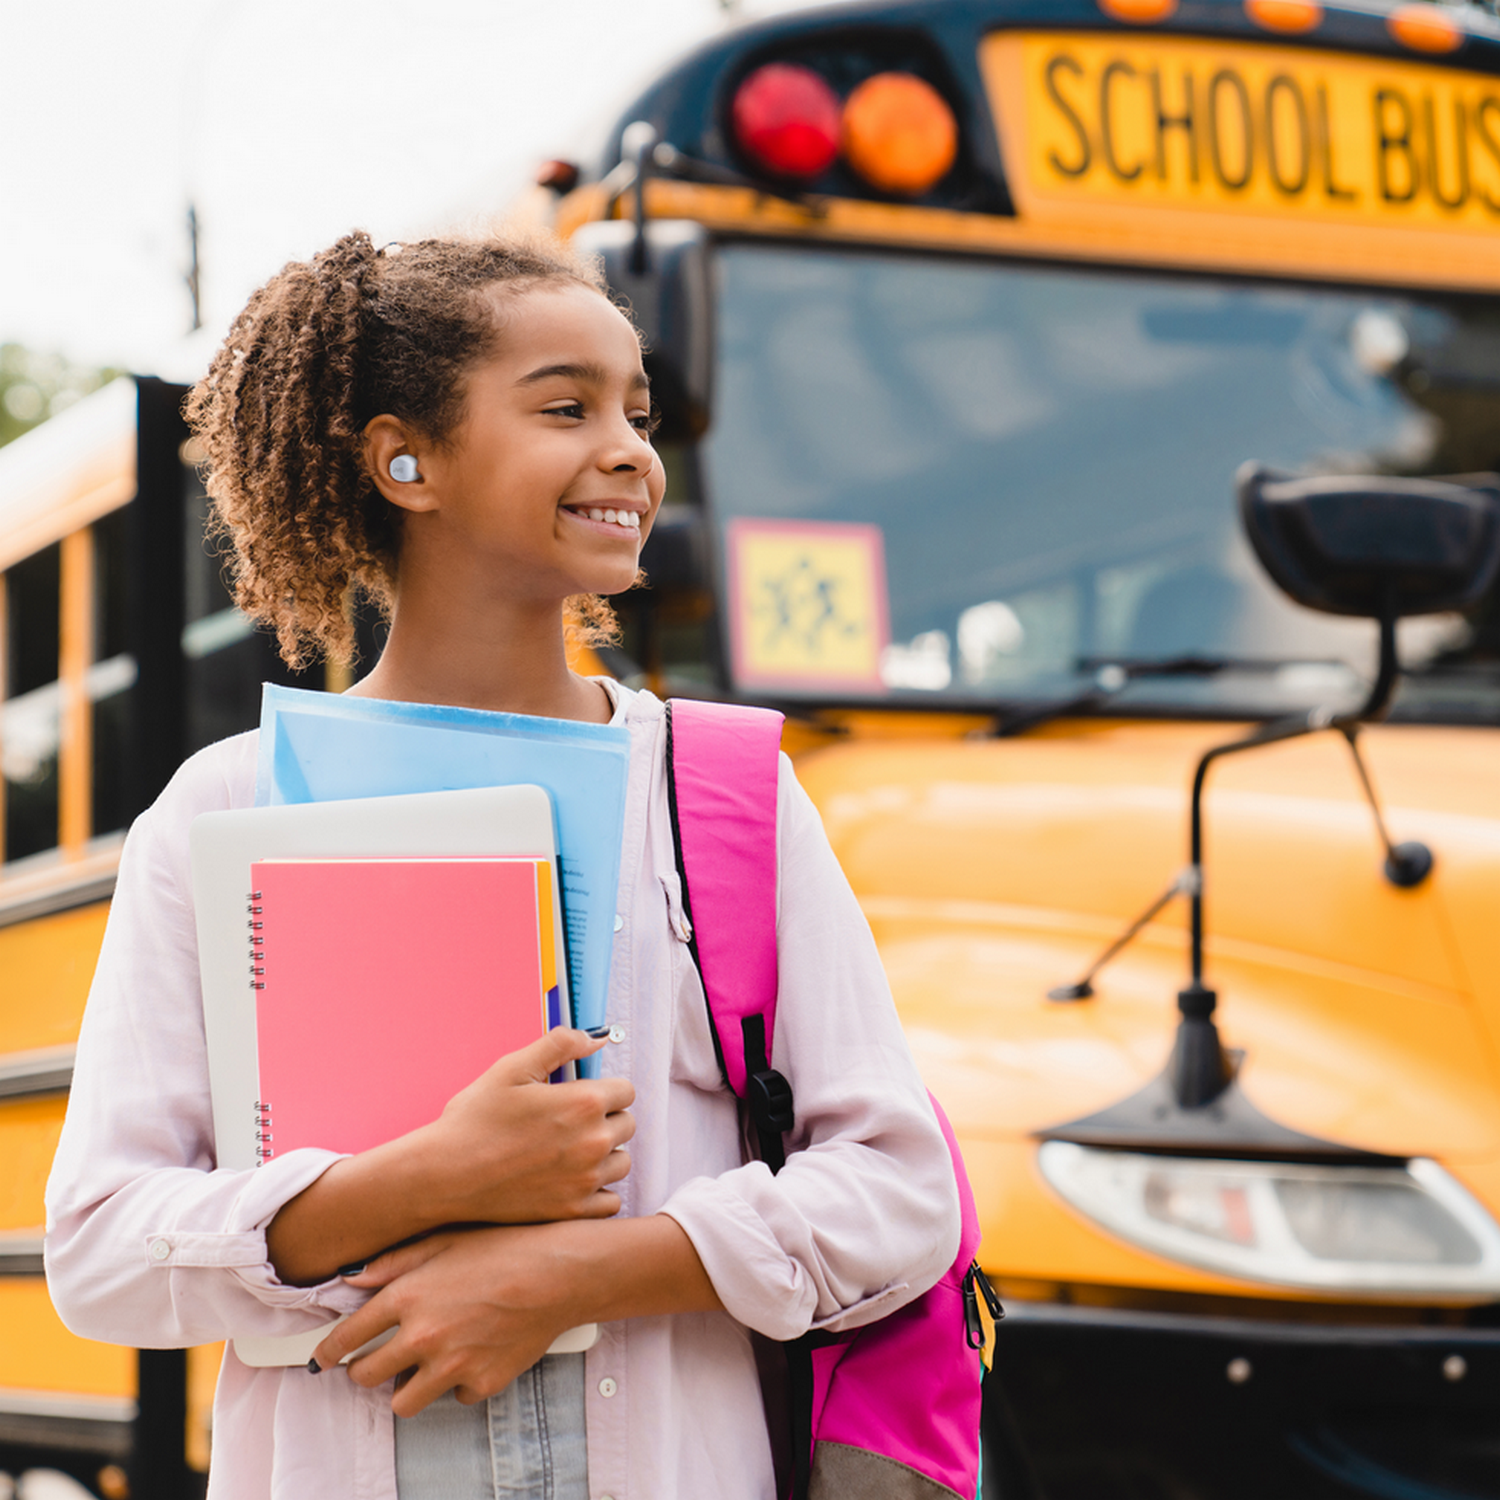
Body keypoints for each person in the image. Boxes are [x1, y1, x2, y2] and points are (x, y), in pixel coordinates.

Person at [44, 230, 961, 1500]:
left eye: (637, 413)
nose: (631, 452)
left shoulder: (722, 791)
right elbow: (97, 1254)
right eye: (566, 407)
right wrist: (415, 1183)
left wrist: (569, 1277)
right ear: (403, 460)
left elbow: (905, 1197)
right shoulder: (222, 809)